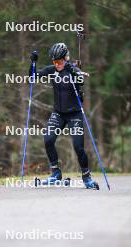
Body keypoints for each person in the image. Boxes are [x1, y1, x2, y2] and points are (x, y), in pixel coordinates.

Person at [29, 43, 99, 189]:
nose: (57, 64)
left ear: (66, 58)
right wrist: (33, 63)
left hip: (74, 114)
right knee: (48, 139)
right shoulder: (52, 70)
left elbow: (80, 80)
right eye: (54, 62)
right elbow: (32, 77)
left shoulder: (72, 69)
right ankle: (56, 173)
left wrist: (73, 71)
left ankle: (86, 177)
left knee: (78, 147)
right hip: (59, 113)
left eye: (60, 61)